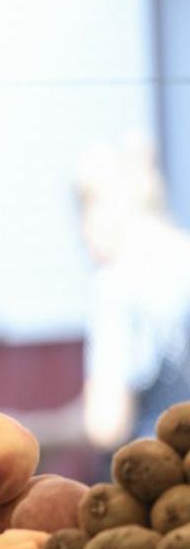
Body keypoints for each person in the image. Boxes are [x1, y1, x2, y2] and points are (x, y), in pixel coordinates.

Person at [77, 135, 190, 469]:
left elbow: (106, 423)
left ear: (104, 209)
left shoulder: (117, 283)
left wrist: (38, 434)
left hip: (156, 480)